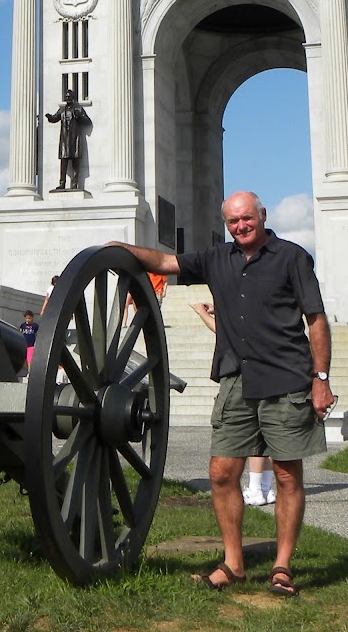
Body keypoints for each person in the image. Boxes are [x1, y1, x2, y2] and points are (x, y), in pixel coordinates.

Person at [114, 190, 333, 598]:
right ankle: (234, 564)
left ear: (262, 216)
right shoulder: (217, 258)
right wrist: (118, 248)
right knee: (221, 473)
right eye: (233, 221)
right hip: (236, 379)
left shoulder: (292, 257)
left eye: (247, 218)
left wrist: (320, 378)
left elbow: (315, 319)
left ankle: (282, 566)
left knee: (286, 475)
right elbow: (164, 262)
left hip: (287, 378)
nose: (240, 226)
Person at [190, 300, 273, 507]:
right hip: (269, 368)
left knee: (255, 436)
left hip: (249, 372)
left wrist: (202, 313)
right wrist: (218, 310)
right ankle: (266, 487)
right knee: (266, 437)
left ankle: (256, 489)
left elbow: (225, 330)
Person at [45, 87, 91, 190]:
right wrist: (49, 117)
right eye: (66, 97)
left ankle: (74, 184)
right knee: (63, 162)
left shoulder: (78, 109)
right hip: (65, 140)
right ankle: (62, 183)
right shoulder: (62, 110)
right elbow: (55, 118)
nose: (67, 98)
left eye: (69, 97)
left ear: (73, 98)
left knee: (75, 163)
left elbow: (88, 122)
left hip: (75, 139)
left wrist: (80, 116)